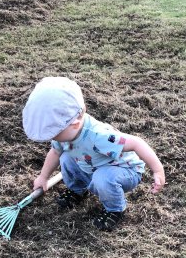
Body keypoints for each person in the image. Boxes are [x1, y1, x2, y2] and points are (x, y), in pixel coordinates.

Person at [22, 77, 165, 231]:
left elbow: (136, 143)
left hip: (124, 170)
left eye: (55, 134)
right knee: (65, 158)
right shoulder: (65, 134)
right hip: (91, 166)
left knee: (102, 178)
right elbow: (55, 152)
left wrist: (157, 170)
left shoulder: (99, 136)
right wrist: (43, 177)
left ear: (74, 125)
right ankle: (78, 191)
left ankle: (115, 209)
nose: (52, 138)